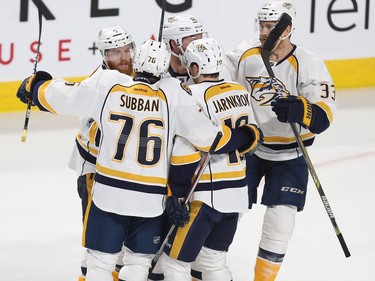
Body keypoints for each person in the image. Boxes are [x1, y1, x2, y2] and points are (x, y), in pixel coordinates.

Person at [16, 39, 262, 281]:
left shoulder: (109, 85)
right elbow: (209, 138)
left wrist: (35, 86)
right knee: (138, 263)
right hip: (151, 201)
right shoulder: (173, 94)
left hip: (109, 193)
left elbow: (66, 96)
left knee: (100, 264)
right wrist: (248, 135)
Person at [226, 1, 337, 280]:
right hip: (251, 149)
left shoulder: (309, 63)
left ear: (286, 29)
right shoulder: (244, 53)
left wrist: (302, 110)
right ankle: (206, 266)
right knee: (226, 209)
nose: (264, 32)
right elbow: (216, 79)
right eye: (261, 25)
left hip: (291, 155)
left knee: (280, 221)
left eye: (270, 26)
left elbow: (324, 116)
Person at [158, 38, 261, 281]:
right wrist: (239, 138)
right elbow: (255, 137)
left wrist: (176, 194)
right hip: (237, 194)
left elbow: (186, 151)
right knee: (213, 262)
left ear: (194, 68)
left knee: (173, 263)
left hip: (206, 197)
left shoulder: (191, 95)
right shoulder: (239, 91)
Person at [69, 25, 136, 281]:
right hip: (94, 169)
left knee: (124, 237)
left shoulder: (141, 76)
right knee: (96, 240)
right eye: (114, 52)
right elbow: (94, 135)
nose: (123, 57)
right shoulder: (96, 84)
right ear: (103, 56)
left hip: (124, 170)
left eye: (126, 49)